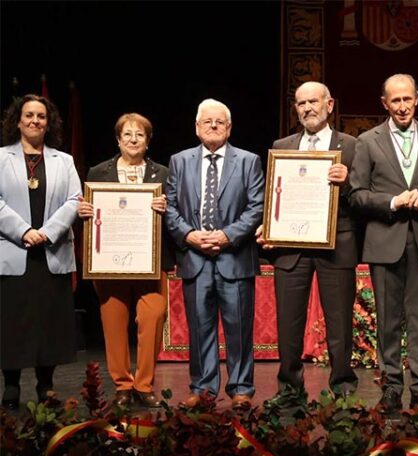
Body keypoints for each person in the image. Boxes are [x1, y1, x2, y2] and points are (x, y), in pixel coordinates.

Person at [349, 74, 418, 416]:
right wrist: (393, 203)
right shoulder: (367, 141)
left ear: (417, 98)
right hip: (384, 242)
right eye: (396, 101)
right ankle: (392, 388)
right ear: (385, 104)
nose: (403, 106)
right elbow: (357, 194)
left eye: (408, 99)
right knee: (388, 321)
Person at [256, 82, 358, 408]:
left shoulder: (352, 146)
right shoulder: (282, 145)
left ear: (330, 104)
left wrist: (349, 180)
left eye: (313, 101)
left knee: (340, 323)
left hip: (336, 244)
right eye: (301, 103)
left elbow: (364, 197)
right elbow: (276, 193)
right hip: (292, 246)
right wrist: (268, 224)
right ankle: (289, 389)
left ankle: (342, 388)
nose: (307, 108)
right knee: (289, 323)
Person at [166, 99, 264, 409]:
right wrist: (189, 235)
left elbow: (256, 207)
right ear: (196, 127)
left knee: (238, 329)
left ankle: (241, 389)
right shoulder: (179, 161)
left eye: (219, 122)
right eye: (206, 121)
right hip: (195, 260)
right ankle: (203, 389)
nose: (213, 126)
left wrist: (226, 236)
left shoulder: (249, 161)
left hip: (234, 258)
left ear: (229, 127)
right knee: (200, 329)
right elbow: (169, 206)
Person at [77, 113, 174, 407]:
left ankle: (144, 385)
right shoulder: (98, 173)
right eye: (128, 134)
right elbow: (91, 212)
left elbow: (178, 216)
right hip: (111, 263)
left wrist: (166, 207)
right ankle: (122, 384)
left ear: (148, 141)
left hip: (151, 262)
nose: (133, 140)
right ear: (118, 139)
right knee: (114, 323)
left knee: (153, 316)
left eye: (140, 135)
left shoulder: (163, 174)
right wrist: (84, 213)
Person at [0, 94, 81, 409]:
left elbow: (75, 199)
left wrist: (46, 233)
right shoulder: (1, 157)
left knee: (49, 322)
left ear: (49, 124)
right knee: (12, 322)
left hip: (51, 251)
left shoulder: (64, 161)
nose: (35, 121)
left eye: (41, 116)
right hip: (13, 251)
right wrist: (23, 231)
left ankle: (46, 386)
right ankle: (10, 386)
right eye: (29, 115)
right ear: (18, 120)